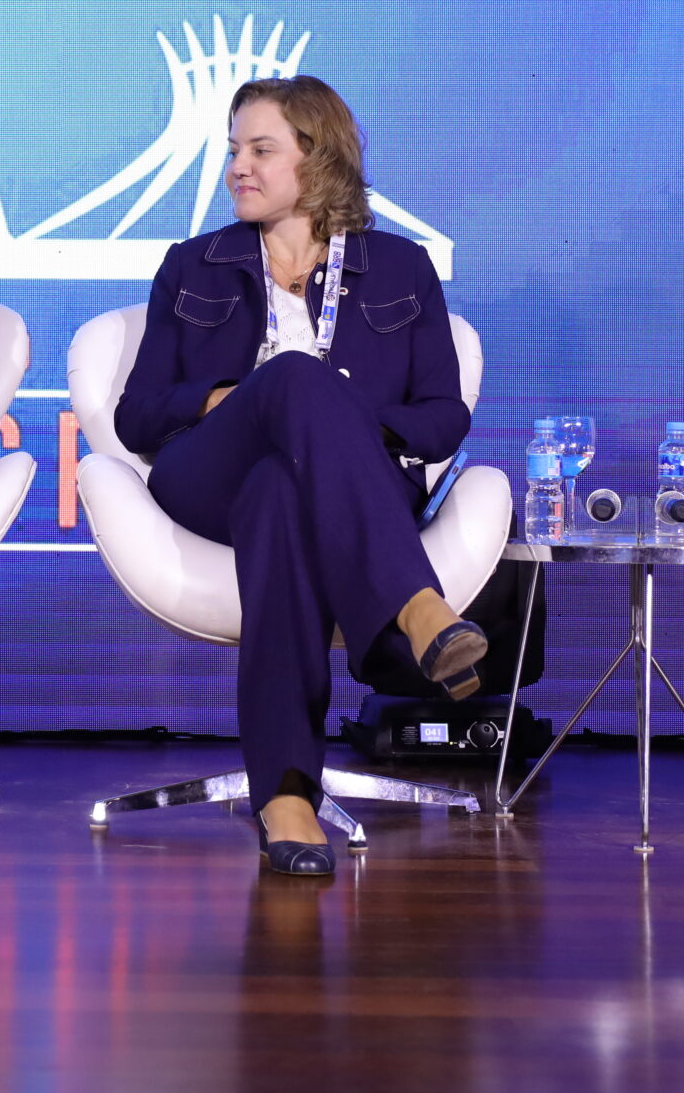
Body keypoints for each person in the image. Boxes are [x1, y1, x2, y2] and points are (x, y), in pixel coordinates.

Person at [114, 76, 484, 876]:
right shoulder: (193, 266)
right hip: (208, 472)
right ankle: (416, 611)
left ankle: (286, 792)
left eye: (260, 149)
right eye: (232, 151)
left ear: (318, 160)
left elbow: (443, 417)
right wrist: (230, 399)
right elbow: (136, 415)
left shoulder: (402, 268)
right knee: (291, 376)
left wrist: (336, 429)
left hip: (330, 488)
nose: (236, 168)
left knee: (282, 490)